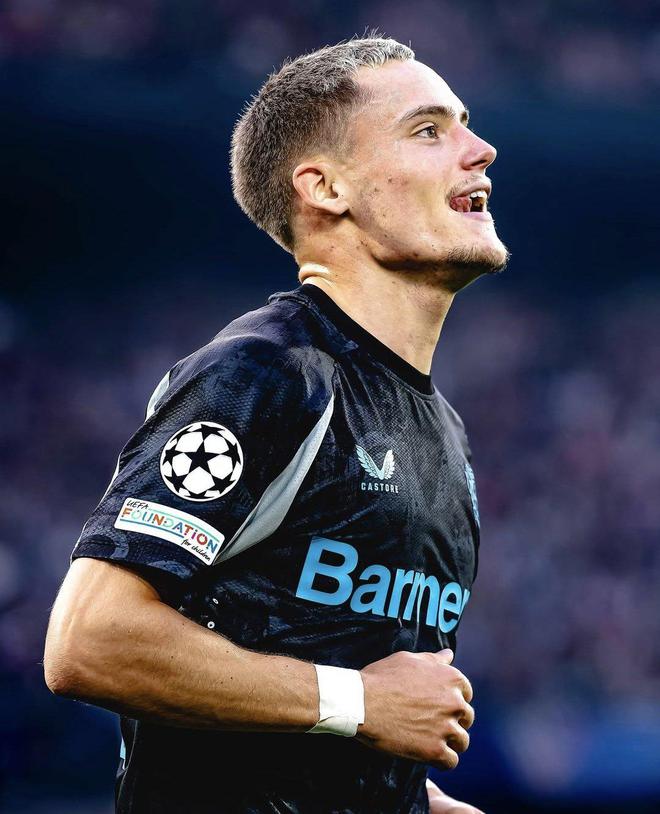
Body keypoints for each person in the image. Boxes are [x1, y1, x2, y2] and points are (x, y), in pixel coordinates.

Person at [44, 33, 508, 814]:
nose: (480, 149)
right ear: (325, 188)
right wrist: (359, 702)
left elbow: (329, 699)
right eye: (429, 130)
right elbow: (90, 641)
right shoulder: (268, 373)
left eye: (465, 124)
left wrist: (410, 798)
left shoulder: (443, 430)